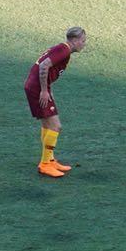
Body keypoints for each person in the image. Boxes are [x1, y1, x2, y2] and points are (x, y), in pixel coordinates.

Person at [24, 28, 86, 178]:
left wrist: (48, 89)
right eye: (83, 41)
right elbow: (44, 66)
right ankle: (45, 164)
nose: (84, 44)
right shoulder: (63, 51)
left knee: (47, 125)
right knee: (55, 126)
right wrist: (44, 90)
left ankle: (50, 160)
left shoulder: (61, 49)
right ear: (75, 40)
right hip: (37, 89)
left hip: (36, 87)